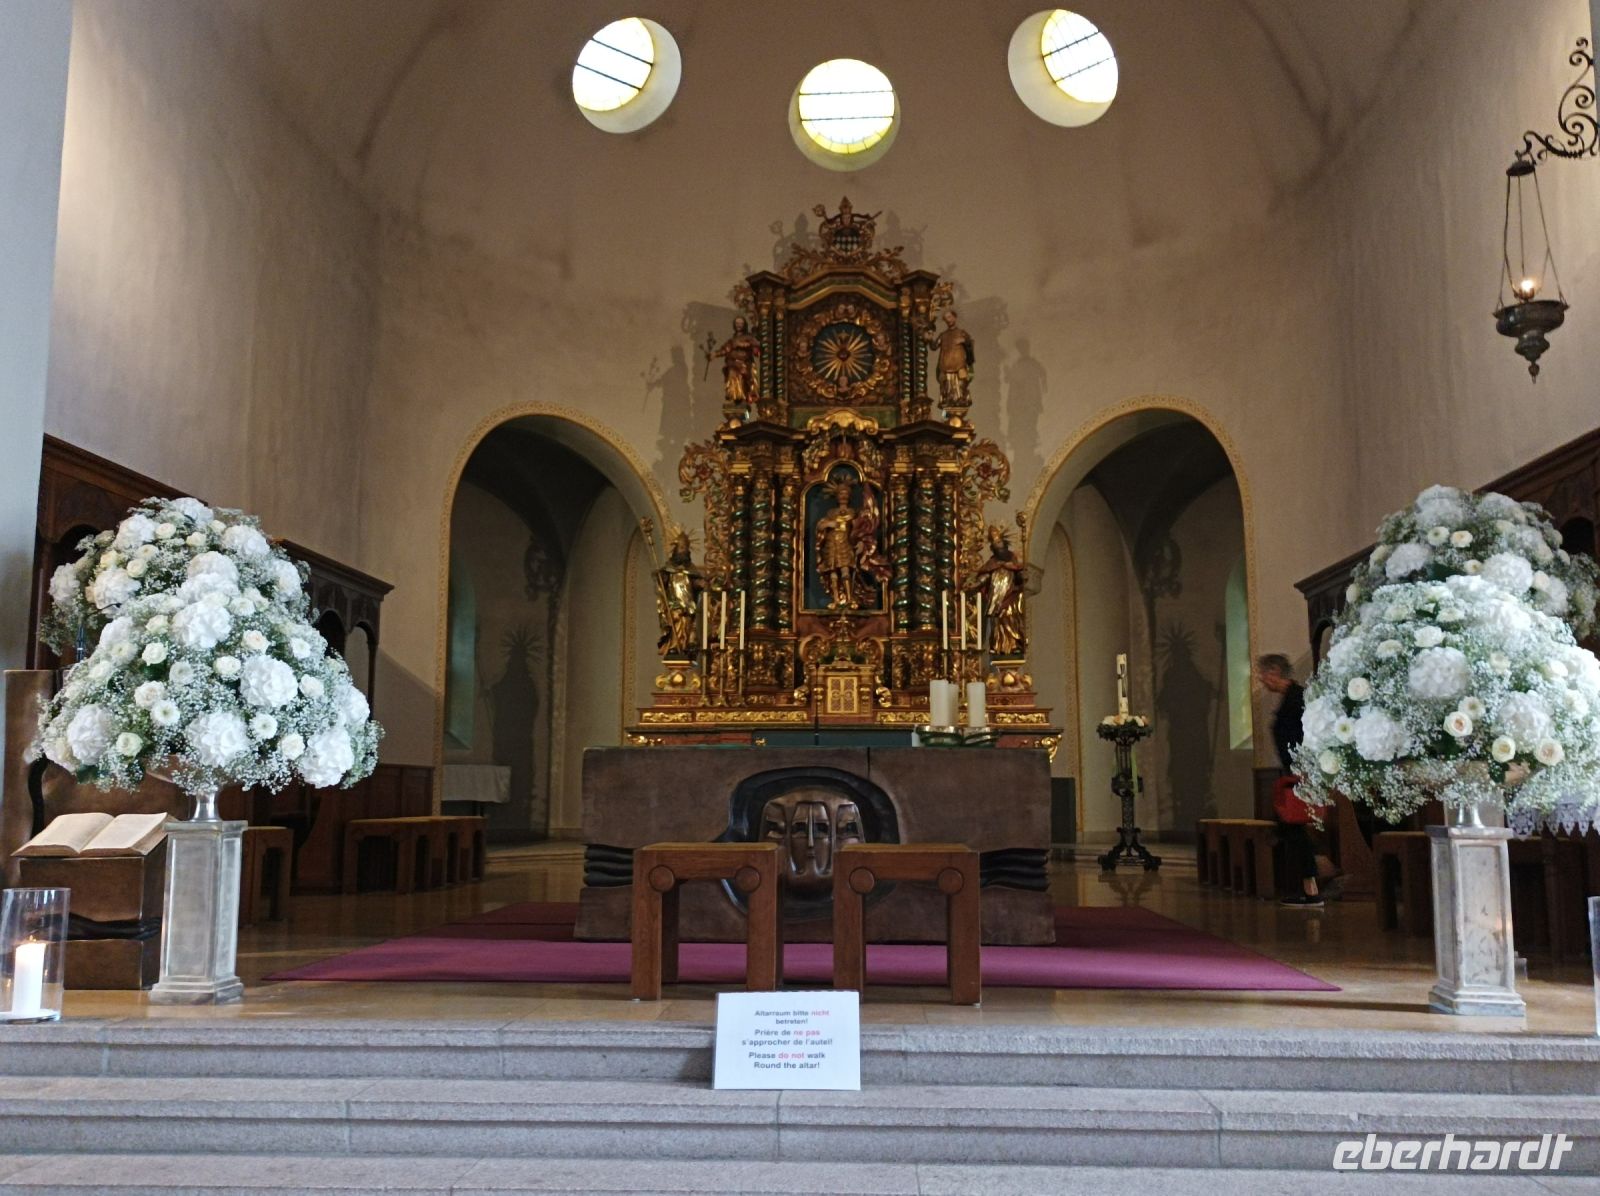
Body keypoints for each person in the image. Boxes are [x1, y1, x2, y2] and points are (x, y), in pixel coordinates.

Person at [1256, 653, 1322, 908]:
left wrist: (1305, 771)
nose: (1262, 680)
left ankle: (1313, 886)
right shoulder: (1290, 697)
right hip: (1293, 771)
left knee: (1291, 827)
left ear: (1274, 672)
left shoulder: (1298, 697)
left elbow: (1309, 734)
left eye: (1263, 674)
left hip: (1301, 773)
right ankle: (1315, 876)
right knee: (1286, 827)